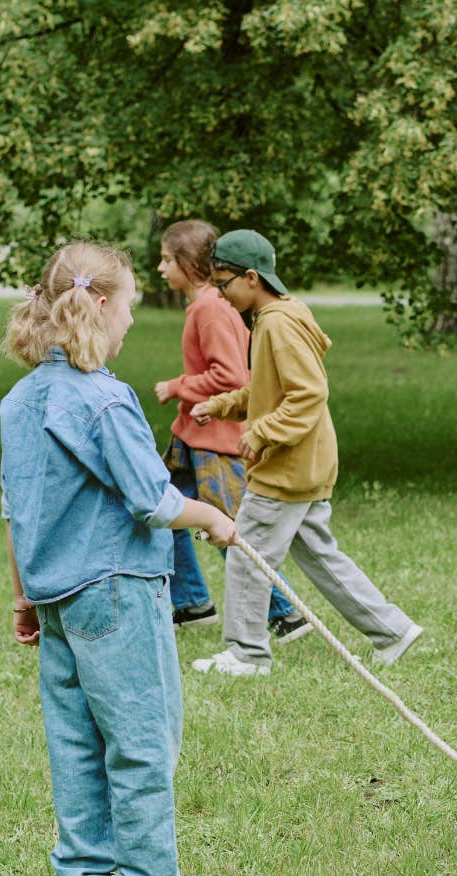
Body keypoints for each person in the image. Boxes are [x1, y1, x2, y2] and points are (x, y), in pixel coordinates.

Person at [0, 241, 234, 876]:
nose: (132, 320)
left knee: (76, 738)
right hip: (116, 587)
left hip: (55, 598)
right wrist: (214, 516)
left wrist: (23, 597)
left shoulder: (20, 400)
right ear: (100, 305)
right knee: (139, 732)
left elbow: (17, 507)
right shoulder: (102, 398)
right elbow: (153, 501)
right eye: (130, 305)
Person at [188, 228, 423, 676]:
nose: (220, 294)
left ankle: (247, 655)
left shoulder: (275, 324)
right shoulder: (280, 314)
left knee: (245, 553)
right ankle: (392, 631)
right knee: (319, 555)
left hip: (287, 467)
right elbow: (267, 388)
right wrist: (221, 405)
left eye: (224, 283)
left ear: (252, 277)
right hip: (307, 462)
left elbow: (307, 394)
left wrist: (262, 434)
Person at [150, 219, 308, 643]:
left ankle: (285, 612)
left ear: (189, 263)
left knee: (229, 528)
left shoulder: (210, 308)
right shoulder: (207, 306)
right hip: (191, 435)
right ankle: (191, 602)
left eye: (167, 260)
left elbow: (232, 375)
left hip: (214, 440)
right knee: (165, 515)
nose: (160, 269)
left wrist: (176, 386)